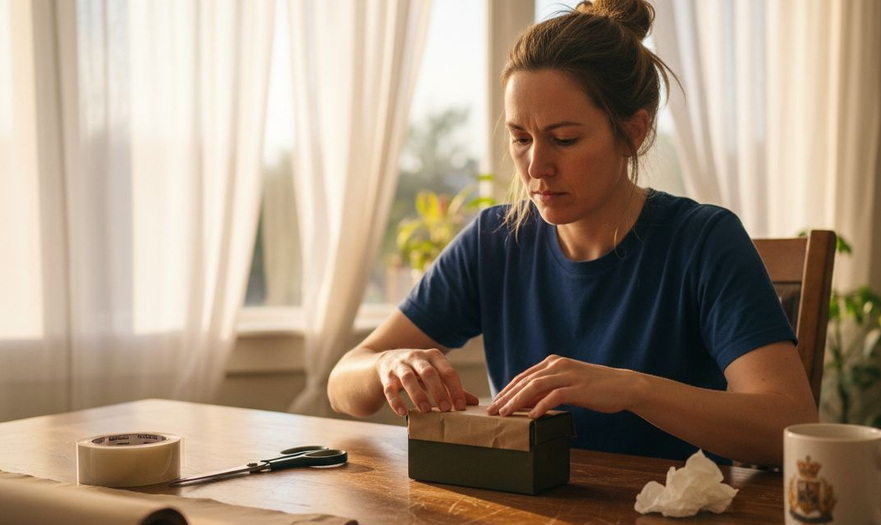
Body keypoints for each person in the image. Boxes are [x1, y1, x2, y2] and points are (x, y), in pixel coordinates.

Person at [327, 0, 817, 468]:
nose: (535, 166)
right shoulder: (495, 241)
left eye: (564, 139)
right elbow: (343, 383)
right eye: (521, 138)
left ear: (636, 132)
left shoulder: (703, 240)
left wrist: (633, 389)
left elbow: (789, 424)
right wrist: (386, 364)